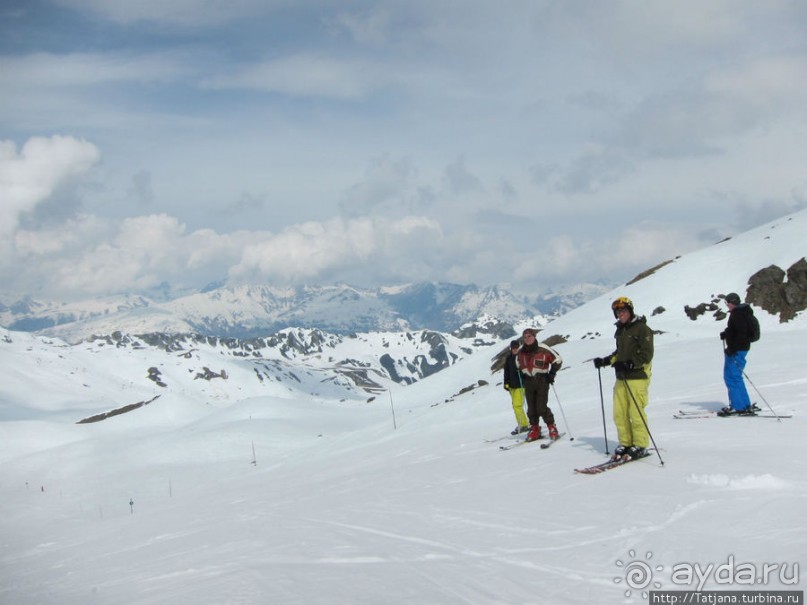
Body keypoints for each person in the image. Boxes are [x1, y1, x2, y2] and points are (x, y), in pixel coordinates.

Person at [593, 297, 654, 460]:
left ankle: (640, 445)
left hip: (637, 377)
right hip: (621, 377)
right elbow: (619, 353)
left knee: (636, 413)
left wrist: (629, 364)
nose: (621, 314)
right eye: (618, 312)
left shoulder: (642, 329)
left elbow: (647, 355)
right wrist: (605, 361)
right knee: (619, 413)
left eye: (624, 311)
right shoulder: (621, 330)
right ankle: (626, 443)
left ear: (630, 311)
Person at [516, 328, 562, 442]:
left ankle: (552, 426)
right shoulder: (521, 352)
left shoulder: (543, 349)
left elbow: (558, 360)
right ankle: (535, 428)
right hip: (528, 382)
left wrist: (551, 374)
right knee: (531, 408)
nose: (527, 339)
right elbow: (517, 364)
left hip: (542, 381)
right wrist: (522, 374)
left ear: (534, 337)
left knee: (541, 407)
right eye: (525, 337)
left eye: (529, 336)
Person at [718, 292, 756, 416]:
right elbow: (737, 330)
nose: (727, 305)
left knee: (731, 376)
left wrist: (732, 348)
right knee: (736, 376)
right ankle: (744, 404)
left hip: (737, 349)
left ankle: (738, 406)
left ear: (731, 302)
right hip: (740, 348)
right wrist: (727, 333)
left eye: (727, 303)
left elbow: (741, 333)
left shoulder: (738, 314)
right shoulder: (742, 312)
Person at [503, 340, 530, 435]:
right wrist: (506, 383)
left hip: (520, 385)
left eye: (516, 347)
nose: (515, 349)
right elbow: (506, 371)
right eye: (513, 348)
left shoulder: (522, 356)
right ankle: (523, 423)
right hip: (512, 386)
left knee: (517, 406)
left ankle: (524, 424)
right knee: (516, 406)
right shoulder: (509, 358)